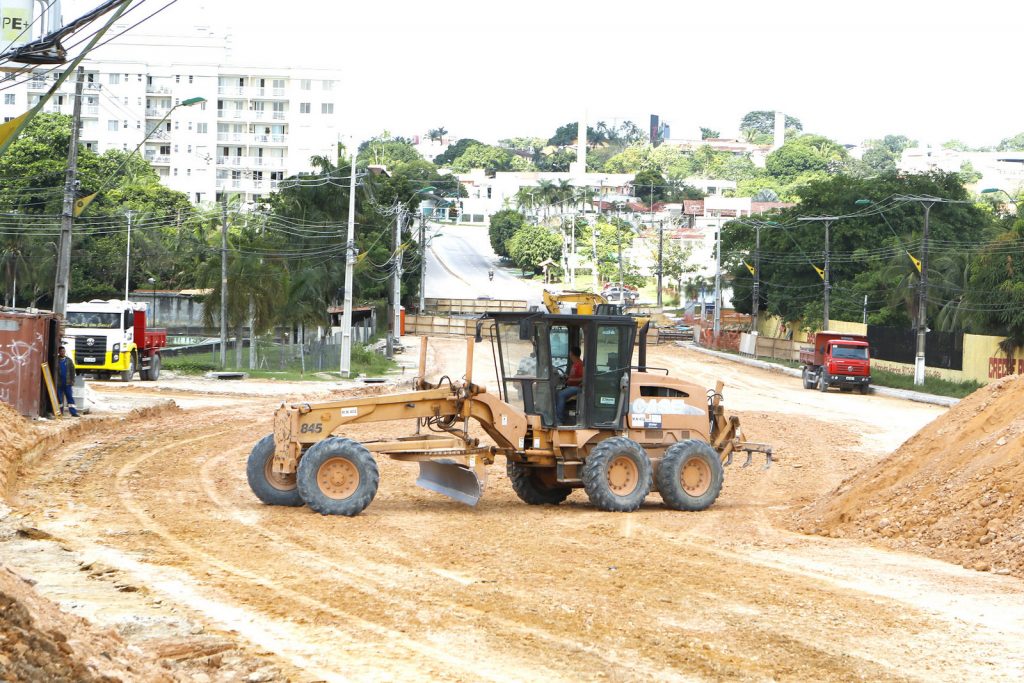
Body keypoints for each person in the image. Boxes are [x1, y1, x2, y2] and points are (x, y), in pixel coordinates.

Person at [556, 345, 583, 425]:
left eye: (570, 353)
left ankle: (559, 419)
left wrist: (570, 380)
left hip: (578, 387)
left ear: (572, 354)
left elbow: (583, 379)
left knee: (560, 395)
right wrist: (568, 377)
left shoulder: (580, 365)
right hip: (572, 386)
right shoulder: (575, 364)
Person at [55, 346, 79, 417]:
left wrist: (72, 381)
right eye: (61, 351)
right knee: (59, 399)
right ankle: (60, 412)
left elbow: (72, 371)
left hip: (67, 383)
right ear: (59, 352)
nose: (62, 352)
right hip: (59, 383)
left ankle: (73, 412)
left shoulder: (69, 360)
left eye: (63, 351)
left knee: (70, 398)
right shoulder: (56, 361)